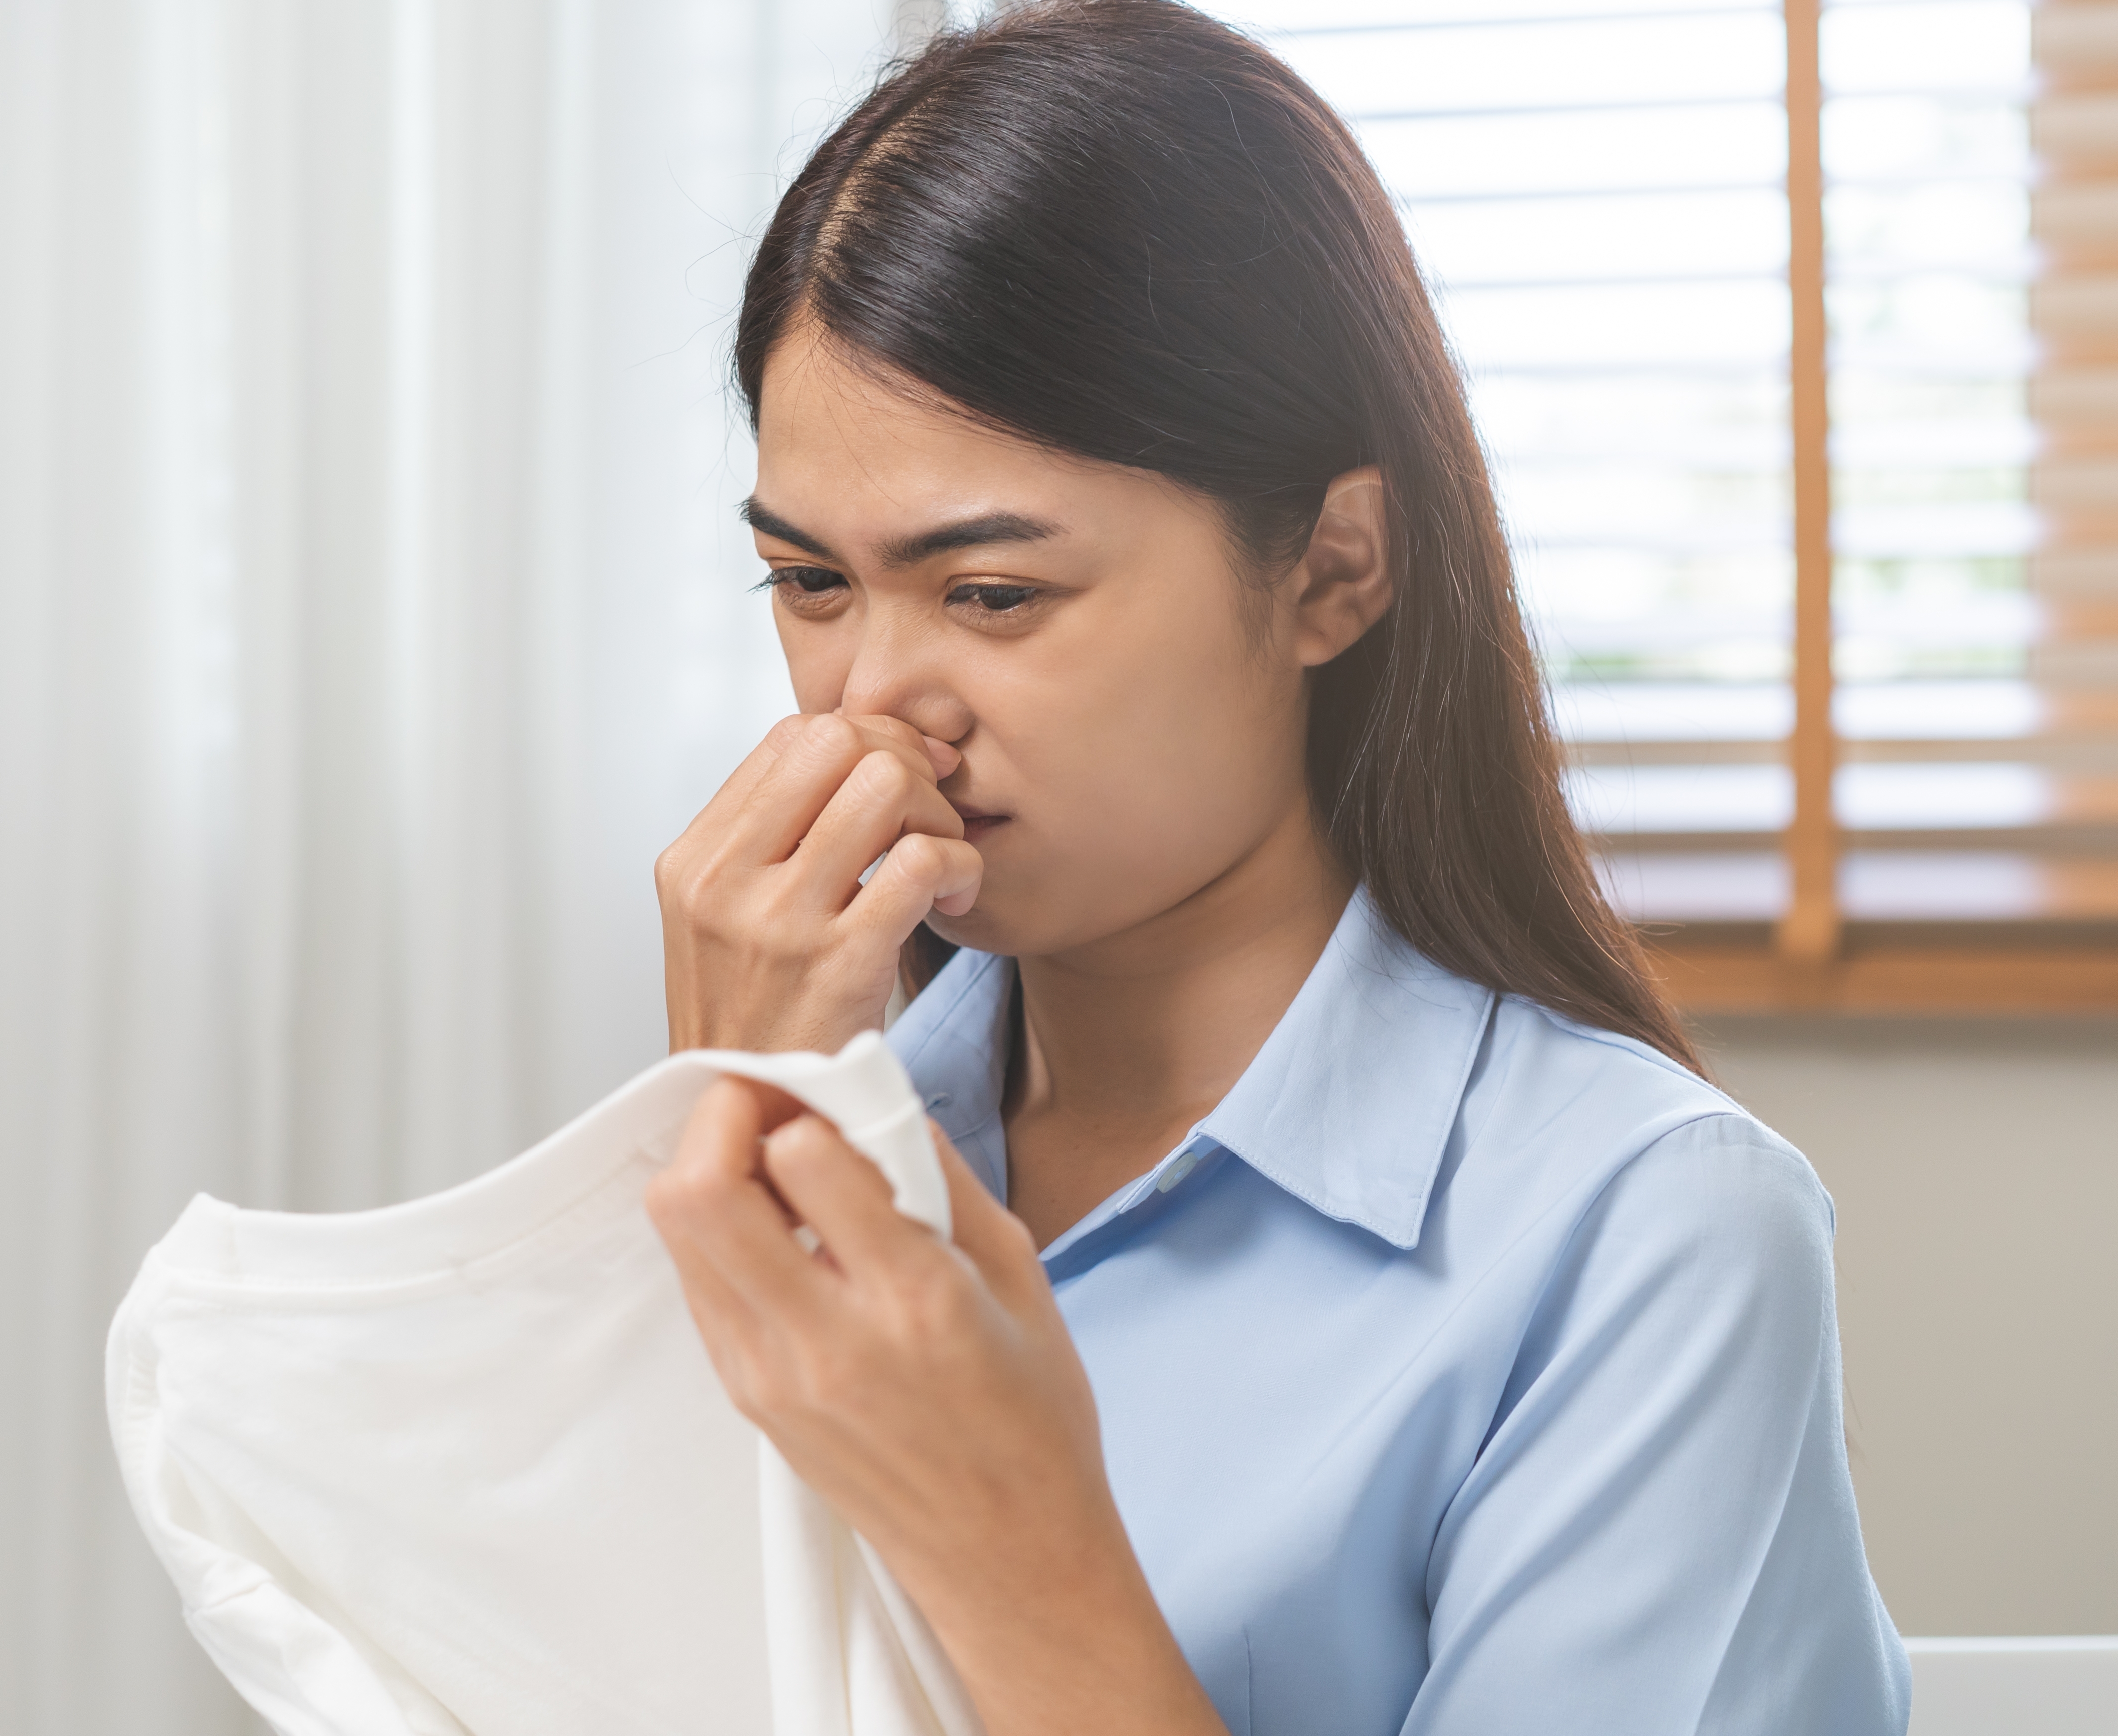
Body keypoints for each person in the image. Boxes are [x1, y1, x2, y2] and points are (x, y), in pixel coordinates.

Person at [642, 3, 1911, 1732]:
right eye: (810, 585)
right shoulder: (806, 1143)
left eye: (993, 594)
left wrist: (1014, 1543)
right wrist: (717, 1133)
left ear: (1330, 570)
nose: (871, 705)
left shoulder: (1638, 1241)